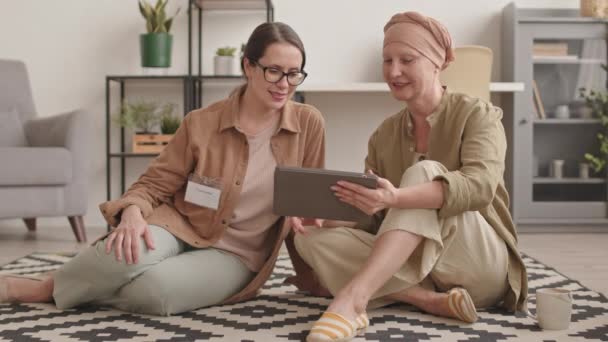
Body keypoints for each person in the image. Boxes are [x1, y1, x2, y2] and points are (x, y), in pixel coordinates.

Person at [0, 21, 326, 316]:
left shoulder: (308, 123)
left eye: (294, 73)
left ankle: (78, 287)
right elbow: (154, 184)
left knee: (155, 292)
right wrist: (132, 213)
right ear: (248, 66)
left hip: (237, 254)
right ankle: (41, 288)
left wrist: (310, 275)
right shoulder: (201, 122)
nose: (285, 83)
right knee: (123, 253)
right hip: (179, 225)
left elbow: (305, 207)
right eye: (274, 71)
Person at [292, 12, 528, 342]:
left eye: (407, 59)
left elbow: (480, 187)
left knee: (424, 173)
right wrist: (333, 219)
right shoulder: (383, 135)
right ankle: (426, 299)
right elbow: (375, 219)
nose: (394, 71)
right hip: (424, 268)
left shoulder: (478, 115)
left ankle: (352, 300)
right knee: (310, 239)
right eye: (387, 60)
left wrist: (397, 197)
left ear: (437, 63)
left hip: (479, 266)